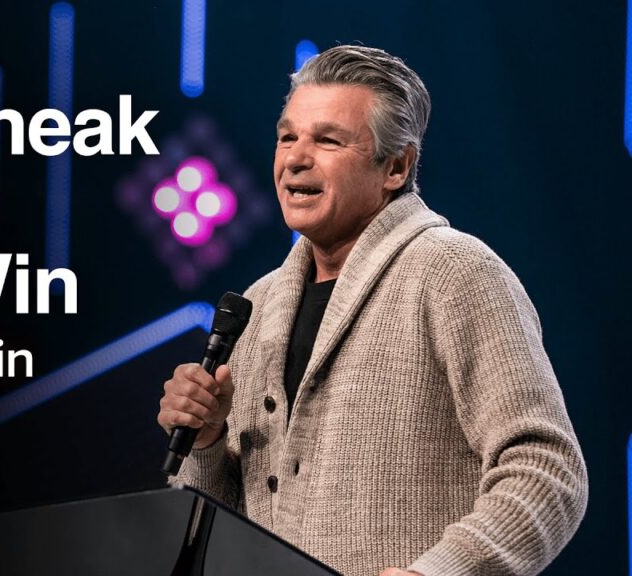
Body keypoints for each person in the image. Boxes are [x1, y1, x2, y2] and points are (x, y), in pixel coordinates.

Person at [157, 45, 587, 576]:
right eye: (287, 137)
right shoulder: (260, 302)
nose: (295, 158)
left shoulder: (455, 272)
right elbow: (227, 531)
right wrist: (207, 441)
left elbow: (546, 469)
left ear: (396, 166)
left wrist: (437, 573)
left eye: (328, 140)